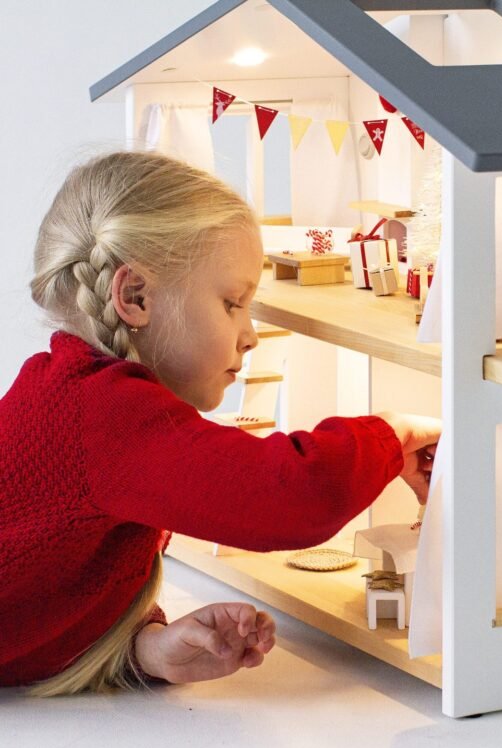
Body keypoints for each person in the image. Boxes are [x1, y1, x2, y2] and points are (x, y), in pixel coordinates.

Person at [0, 151, 440, 696]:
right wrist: (391, 434)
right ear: (134, 297)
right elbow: (288, 497)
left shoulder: (67, 392)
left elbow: (34, 604)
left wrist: (143, 649)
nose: (251, 334)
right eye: (233, 303)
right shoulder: (102, 412)